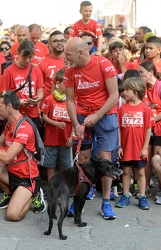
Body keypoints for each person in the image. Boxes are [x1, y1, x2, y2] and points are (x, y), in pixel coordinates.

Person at [64, 37, 119, 220]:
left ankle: (105, 202)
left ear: (81, 53)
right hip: (82, 116)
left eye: (68, 54)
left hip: (105, 115)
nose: (66, 58)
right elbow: (70, 100)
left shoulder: (103, 64)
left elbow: (114, 95)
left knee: (105, 159)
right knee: (82, 158)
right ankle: (77, 198)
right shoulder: (70, 71)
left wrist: (98, 115)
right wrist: (75, 125)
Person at [0, 90, 46, 221]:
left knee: (12, 216)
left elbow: (6, 157)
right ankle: (11, 192)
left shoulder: (24, 127)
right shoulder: (9, 124)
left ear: (9, 107)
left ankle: (33, 194)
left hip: (26, 177)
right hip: (10, 171)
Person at [115, 77, 154, 210]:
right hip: (126, 148)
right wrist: (119, 146)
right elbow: (119, 129)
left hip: (139, 149)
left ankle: (142, 197)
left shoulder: (145, 109)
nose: (124, 92)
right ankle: (125, 196)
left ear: (136, 91)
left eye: (127, 89)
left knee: (141, 173)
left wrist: (145, 148)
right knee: (126, 171)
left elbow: (149, 129)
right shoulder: (122, 109)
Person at [0, 39, 44, 139]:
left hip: (32, 113)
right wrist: (17, 102)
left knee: (33, 142)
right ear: (18, 54)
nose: (27, 60)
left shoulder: (36, 70)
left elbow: (41, 92)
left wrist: (36, 99)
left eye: (30, 57)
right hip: (15, 114)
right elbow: (2, 94)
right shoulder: (9, 71)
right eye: (24, 57)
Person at [139, 61, 161, 197]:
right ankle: (146, 187)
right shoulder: (143, 87)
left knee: (158, 157)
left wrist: (152, 119)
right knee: (146, 157)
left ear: (151, 72)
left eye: (142, 72)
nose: (139, 75)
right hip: (148, 127)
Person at [41, 68, 73, 182]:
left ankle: (65, 186)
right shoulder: (49, 99)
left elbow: (75, 122)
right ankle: (51, 186)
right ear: (58, 84)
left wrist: (71, 137)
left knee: (66, 166)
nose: (69, 86)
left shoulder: (72, 100)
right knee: (51, 165)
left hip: (66, 140)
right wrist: (56, 123)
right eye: (66, 84)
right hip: (51, 140)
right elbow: (43, 117)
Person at [38, 30, 65, 98]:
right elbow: (39, 87)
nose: (59, 43)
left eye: (62, 40)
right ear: (49, 44)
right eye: (55, 41)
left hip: (67, 104)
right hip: (48, 104)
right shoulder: (43, 63)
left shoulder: (71, 60)